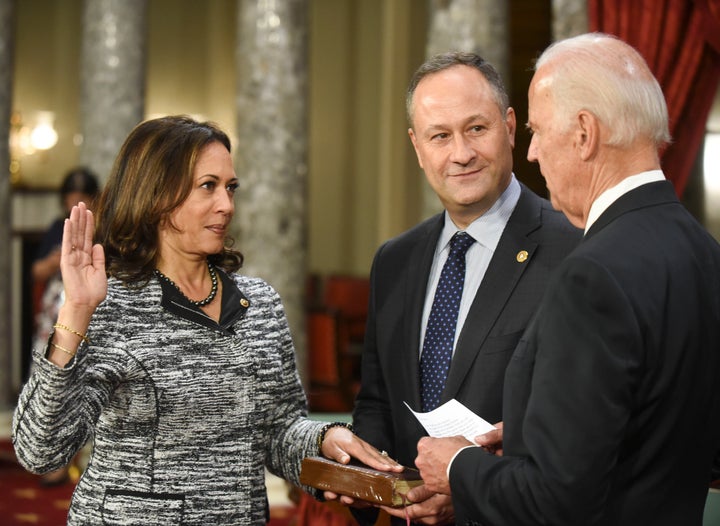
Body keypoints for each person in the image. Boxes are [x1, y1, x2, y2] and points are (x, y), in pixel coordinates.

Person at [12, 115, 402, 525]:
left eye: (230, 187)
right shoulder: (110, 302)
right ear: (157, 195)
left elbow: (278, 432)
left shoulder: (261, 304)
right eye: (208, 186)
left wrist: (325, 440)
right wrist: (76, 311)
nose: (227, 205)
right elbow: (40, 450)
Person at [413, 33, 720, 526]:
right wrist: (540, 432)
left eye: (537, 129)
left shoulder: (591, 272)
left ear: (583, 133)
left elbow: (555, 502)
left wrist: (456, 465)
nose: (532, 152)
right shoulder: (703, 250)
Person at [348, 52, 581, 525]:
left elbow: (582, 426)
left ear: (511, 127)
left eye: (476, 129)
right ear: (417, 148)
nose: (461, 153)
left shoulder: (575, 253)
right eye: (440, 136)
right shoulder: (394, 260)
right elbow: (377, 400)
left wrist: (470, 486)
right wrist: (362, 478)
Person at [29, 167, 100, 486]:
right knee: (52, 374)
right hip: (57, 311)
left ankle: (85, 453)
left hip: (93, 310)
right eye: (72, 199)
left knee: (90, 377)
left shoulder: (103, 228)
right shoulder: (58, 227)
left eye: (83, 198)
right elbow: (37, 271)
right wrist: (60, 260)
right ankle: (52, 453)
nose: (77, 204)